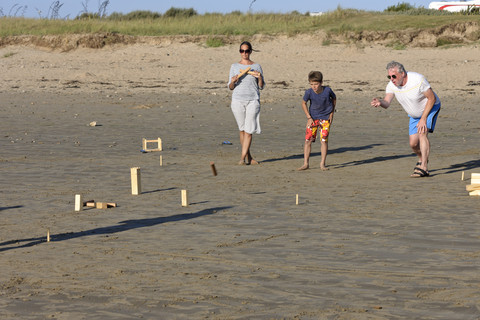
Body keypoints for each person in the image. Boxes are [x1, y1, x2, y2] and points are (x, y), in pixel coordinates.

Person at [371, 61, 441, 177]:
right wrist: (380, 102)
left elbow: (432, 98)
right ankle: (422, 158)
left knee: (422, 132)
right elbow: (387, 102)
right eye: (389, 76)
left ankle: (424, 167)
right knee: (413, 144)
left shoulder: (417, 80)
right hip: (414, 114)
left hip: (429, 109)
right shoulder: (391, 85)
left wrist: (423, 119)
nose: (392, 79)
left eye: (394, 76)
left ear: (402, 73)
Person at [228, 41, 265, 165]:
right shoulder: (234, 67)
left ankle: (242, 158)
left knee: (249, 130)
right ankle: (249, 157)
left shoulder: (256, 66)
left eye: (247, 51)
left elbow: (261, 86)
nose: (244, 53)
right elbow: (230, 87)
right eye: (242, 51)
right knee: (242, 129)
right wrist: (233, 80)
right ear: (240, 52)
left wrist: (259, 77)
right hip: (238, 100)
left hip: (253, 100)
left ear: (250, 51)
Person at [298, 71, 336, 171]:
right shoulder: (309, 92)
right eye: (311, 84)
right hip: (313, 119)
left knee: (323, 141)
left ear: (321, 82)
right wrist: (308, 117)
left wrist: (332, 113)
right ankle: (306, 163)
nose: (314, 86)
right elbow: (303, 103)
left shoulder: (327, 90)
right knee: (307, 141)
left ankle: (322, 163)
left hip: (325, 119)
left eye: (316, 84)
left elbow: (334, 98)